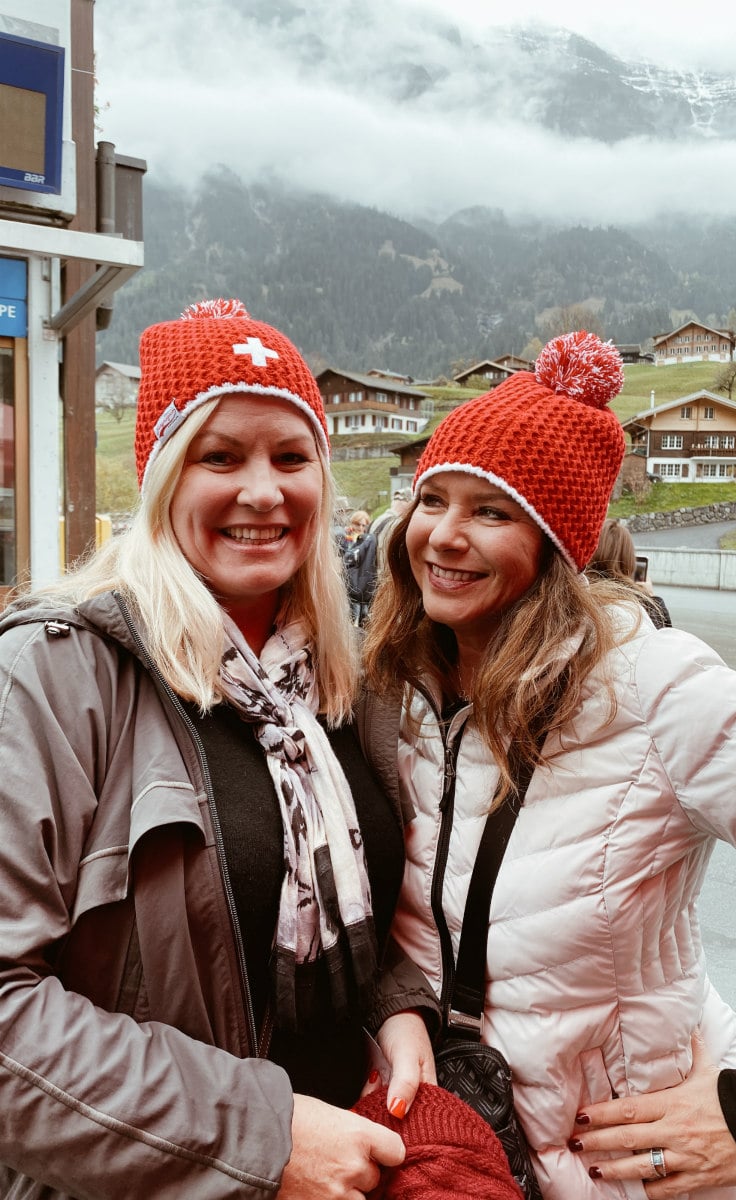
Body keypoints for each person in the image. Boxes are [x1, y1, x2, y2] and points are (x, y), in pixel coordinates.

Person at [0, 299, 437, 1199]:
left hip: (346, 1161)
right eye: (220, 456)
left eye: (290, 456)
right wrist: (261, 1136)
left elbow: (307, 908)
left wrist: (392, 1006)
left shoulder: (332, 684)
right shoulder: (55, 675)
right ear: (163, 478)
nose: (264, 491)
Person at [359, 330, 736, 1199]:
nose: (443, 537)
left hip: (624, 1173)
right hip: (451, 1159)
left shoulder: (658, 687)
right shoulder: (391, 684)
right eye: (431, 500)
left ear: (559, 543)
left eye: (490, 512)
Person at [588, 517, 672, 628]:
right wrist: (651, 597)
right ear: (629, 559)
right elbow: (663, 639)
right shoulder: (640, 604)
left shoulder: (578, 593)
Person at [338, 510, 379, 626]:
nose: (360, 528)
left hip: (363, 584)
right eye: (358, 524)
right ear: (352, 524)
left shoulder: (368, 540)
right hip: (348, 584)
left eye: (363, 525)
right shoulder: (345, 538)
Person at [371, 489, 413, 566]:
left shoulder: (377, 520)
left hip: (372, 570)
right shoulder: (397, 524)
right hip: (384, 574)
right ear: (407, 503)